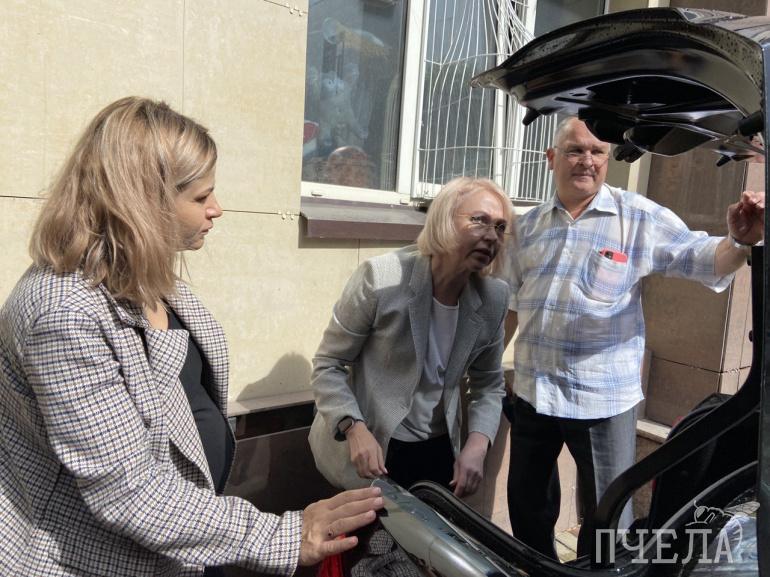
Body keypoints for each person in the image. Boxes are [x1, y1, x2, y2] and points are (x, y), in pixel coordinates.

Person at [0, 96, 383, 577]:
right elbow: (128, 491)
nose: (217, 209)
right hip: (94, 561)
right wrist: (284, 536)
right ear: (143, 201)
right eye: (201, 198)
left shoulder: (147, 279)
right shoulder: (65, 313)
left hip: (181, 542)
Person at [503, 117, 764, 559]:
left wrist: (739, 241)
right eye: (575, 150)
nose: (587, 160)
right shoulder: (526, 228)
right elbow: (511, 307)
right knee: (528, 507)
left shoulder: (636, 216)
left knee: (608, 520)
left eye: (597, 152)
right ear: (550, 158)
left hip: (602, 402)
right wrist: (494, 376)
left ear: (608, 159)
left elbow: (704, 259)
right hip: (533, 393)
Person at [309, 177, 512, 497]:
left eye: (500, 227)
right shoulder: (382, 278)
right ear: (444, 220)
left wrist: (478, 443)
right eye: (479, 220)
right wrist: (353, 427)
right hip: (372, 443)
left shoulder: (494, 298)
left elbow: (488, 383)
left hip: (439, 447)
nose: (491, 236)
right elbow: (328, 364)